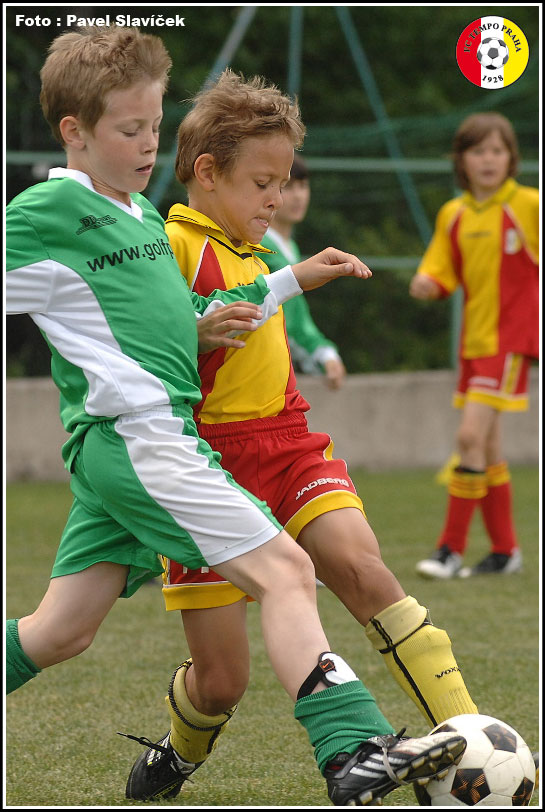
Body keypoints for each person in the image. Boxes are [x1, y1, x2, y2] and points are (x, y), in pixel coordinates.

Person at [4, 26, 466, 809]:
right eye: (129, 129)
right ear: (74, 132)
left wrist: (278, 286)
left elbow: (170, 316)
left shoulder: (137, 217)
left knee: (59, 632)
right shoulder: (49, 210)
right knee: (286, 572)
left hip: (124, 450)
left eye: (154, 126)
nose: (149, 145)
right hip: (140, 437)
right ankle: (352, 749)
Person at [122, 68, 476, 804]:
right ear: (207, 173)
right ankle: (180, 750)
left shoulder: (264, 250)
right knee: (222, 682)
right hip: (206, 467)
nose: (277, 199)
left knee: (365, 572)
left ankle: (473, 741)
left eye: (282, 183)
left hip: (288, 446)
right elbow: (152, 345)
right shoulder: (166, 246)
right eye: (263, 183)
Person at [410, 112, 539, 580]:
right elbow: (440, 270)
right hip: (474, 343)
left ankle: (450, 550)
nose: (488, 159)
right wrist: (427, 283)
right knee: (485, 446)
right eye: (478, 150)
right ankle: (505, 551)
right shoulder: (454, 213)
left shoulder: (528, 205)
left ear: (511, 158)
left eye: (497, 150)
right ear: (461, 159)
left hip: (511, 341)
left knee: (468, 438)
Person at [260, 153, 346, 390]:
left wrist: (324, 353)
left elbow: (295, 316)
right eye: (288, 187)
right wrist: (323, 353)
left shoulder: (288, 247)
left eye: (303, 186)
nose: (298, 196)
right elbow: (292, 323)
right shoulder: (262, 246)